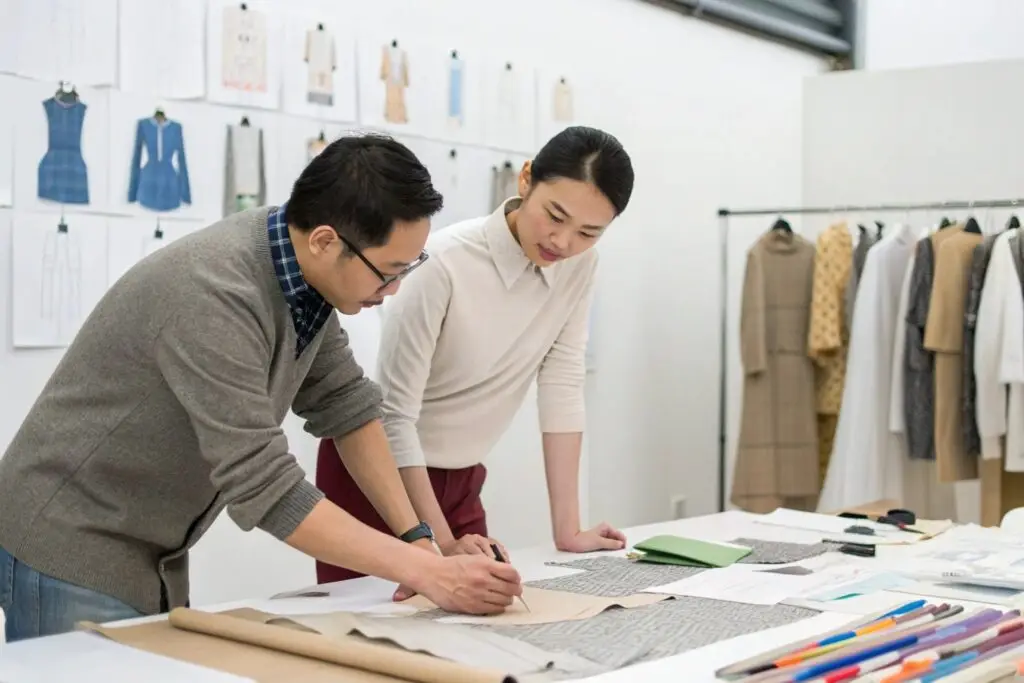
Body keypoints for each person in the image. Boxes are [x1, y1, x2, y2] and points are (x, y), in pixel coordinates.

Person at [0, 133, 523, 642]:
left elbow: (348, 408)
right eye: (386, 272)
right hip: (72, 541)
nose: (394, 291)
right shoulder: (213, 293)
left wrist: (420, 543)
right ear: (325, 240)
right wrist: (424, 571)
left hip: (148, 545)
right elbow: (266, 487)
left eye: (408, 268)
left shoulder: (302, 277)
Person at [316, 126, 634, 586]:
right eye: (555, 215)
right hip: (377, 479)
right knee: (361, 641)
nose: (563, 242)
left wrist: (568, 530)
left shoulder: (578, 266)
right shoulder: (442, 263)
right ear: (526, 180)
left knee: (479, 625)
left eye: (588, 232)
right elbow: (393, 415)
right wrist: (440, 545)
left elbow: (563, 380)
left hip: (462, 480)